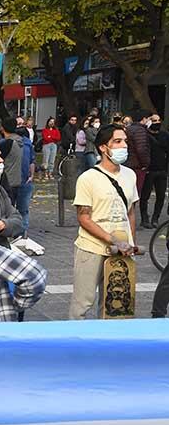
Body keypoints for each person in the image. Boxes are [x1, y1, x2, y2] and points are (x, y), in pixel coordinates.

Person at [69, 123, 141, 320]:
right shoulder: (87, 178)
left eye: (125, 141)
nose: (123, 146)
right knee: (82, 303)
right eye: (117, 142)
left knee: (115, 306)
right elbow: (84, 217)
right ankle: (75, 343)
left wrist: (130, 243)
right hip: (92, 247)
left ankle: (109, 346)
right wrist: (112, 240)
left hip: (122, 248)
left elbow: (131, 212)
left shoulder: (130, 175)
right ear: (103, 147)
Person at [141, 114, 167, 229]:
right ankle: (144, 218)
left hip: (162, 170)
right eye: (154, 120)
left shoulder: (165, 135)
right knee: (145, 196)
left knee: (161, 196)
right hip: (148, 170)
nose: (157, 122)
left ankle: (155, 218)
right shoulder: (145, 135)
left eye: (158, 120)